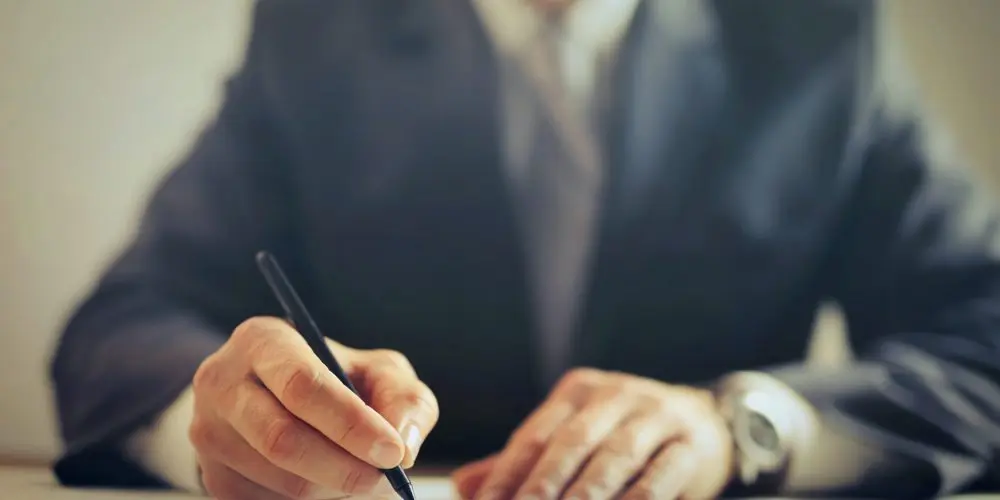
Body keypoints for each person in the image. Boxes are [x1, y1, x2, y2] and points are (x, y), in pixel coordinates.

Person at [50, 0, 1000, 498]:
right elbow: (119, 332)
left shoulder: (821, 34)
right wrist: (236, 430)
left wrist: (744, 429)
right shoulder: (316, 31)